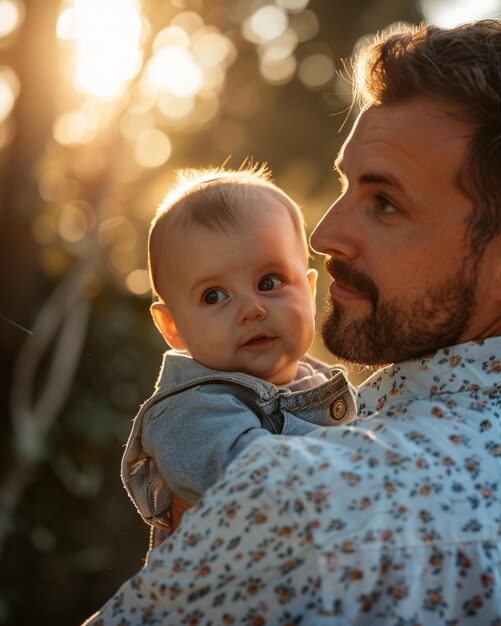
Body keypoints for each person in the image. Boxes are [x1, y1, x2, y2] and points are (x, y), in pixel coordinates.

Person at [82, 19, 501, 625]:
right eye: (345, 186)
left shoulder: (306, 504)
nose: (325, 236)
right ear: (170, 325)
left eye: (385, 202)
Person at [121, 166, 355, 541]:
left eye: (269, 282)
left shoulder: (323, 384)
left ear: (309, 294)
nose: (251, 309)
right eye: (214, 295)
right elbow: (256, 480)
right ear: (173, 328)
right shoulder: (189, 410)